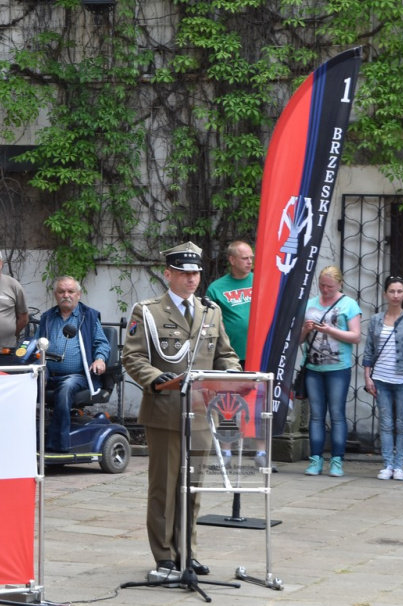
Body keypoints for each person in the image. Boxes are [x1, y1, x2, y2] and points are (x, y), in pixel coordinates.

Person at [122, 241, 239, 577]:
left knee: (193, 486)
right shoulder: (148, 312)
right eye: (185, 273)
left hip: (202, 411)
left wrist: (231, 373)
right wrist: (159, 379)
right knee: (165, 488)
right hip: (165, 409)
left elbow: (224, 354)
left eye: (196, 273)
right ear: (168, 274)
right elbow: (133, 356)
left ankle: (187, 551)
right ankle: (165, 556)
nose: (192, 279)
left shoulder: (210, 312)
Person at [205, 240, 271, 468]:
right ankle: (226, 452)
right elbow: (211, 322)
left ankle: (261, 454)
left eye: (251, 257)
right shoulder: (216, 288)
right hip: (230, 357)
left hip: (259, 354)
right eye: (245, 258)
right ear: (232, 260)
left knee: (260, 405)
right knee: (228, 405)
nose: (250, 261)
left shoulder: (262, 280)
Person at [300, 265, 362, 477]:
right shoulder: (309, 305)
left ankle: (337, 460)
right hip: (313, 367)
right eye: (322, 285)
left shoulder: (349, 304)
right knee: (316, 415)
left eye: (330, 286)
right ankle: (315, 459)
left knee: (337, 414)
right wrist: (306, 330)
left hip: (338, 368)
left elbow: (356, 336)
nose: (325, 290)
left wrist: (330, 331)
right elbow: (298, 340)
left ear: (339, 284)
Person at [37, 275, 109, 453]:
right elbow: (36, 344)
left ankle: (56, 445)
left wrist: (100, 358)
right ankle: (27, 440)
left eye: (70, 291)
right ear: (55, 295)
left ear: (79, 294)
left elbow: (102, 343)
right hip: (48, 373)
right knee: (27, 385)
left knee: (66, 387)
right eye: (61, 291)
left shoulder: (89, 316)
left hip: (78, 376)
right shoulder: (47, 317)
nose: (66, 295)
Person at [362, 275, 403, 481]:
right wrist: (367, 377)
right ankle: (387, 464)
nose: (395, 295)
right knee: (386, 423)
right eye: (392, 291)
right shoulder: (376, 320)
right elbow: (369, 350)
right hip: (380, 378)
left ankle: (399, 466)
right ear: (385, 294)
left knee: (401, 424)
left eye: (399, 291)